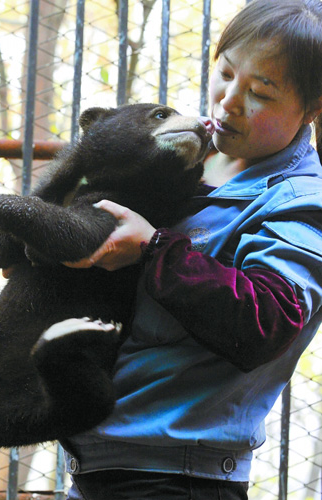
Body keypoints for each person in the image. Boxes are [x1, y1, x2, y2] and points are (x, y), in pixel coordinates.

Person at [60, 1, 322, 498]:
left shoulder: (304, 202)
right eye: (225, 73)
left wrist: (155, 249)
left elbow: (268, 319)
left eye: (260, 93)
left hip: (176, 477)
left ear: (312, 107)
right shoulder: (187, 157)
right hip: (102, 467)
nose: (227, 103)